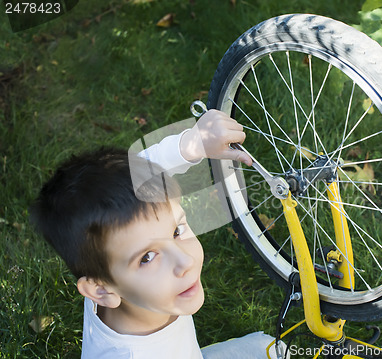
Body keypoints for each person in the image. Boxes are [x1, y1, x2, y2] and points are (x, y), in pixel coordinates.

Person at [31, 110, 284, 359]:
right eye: (147, 257)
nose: (185, 261)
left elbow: (142, 169)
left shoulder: (111, 272)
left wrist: (191, 144)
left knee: (272, 348)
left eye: (176, 231)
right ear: (100, 290)